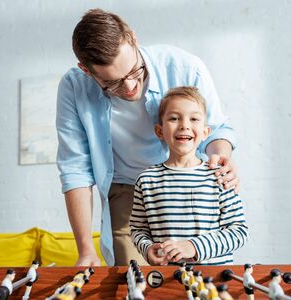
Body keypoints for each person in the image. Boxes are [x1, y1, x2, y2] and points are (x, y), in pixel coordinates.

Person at [56, 8, 239, 266]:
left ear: (133, 38)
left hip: (191, 185)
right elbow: (75, 167)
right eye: (113, 83)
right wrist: (86, 251)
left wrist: (220, 159)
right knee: (135, 280)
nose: (130, 88)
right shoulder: (74, 87)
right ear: (86, 71)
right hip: (127, 190)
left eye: (134, 71)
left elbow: (217, 131)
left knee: (199, 274)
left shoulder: (185, 67)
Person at [129, 86, 248, 266]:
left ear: (205, 132)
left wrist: (194, 246)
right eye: (174, 118)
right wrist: (147, 248)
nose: (184, 125)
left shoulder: (219, 175)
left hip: (215, 282)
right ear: (160, 131)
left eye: (194, 119)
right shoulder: (147, 180)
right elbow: (138, 229)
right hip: (167, 281)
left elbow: (239, 231)